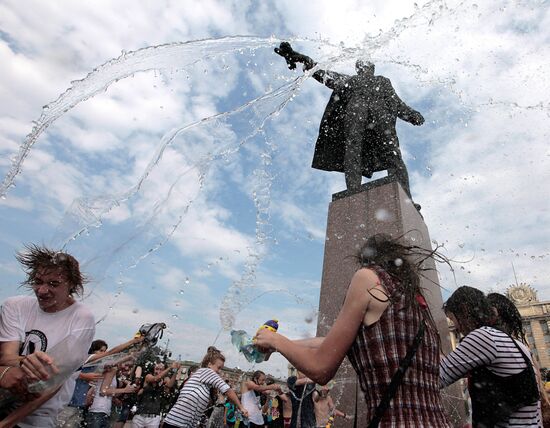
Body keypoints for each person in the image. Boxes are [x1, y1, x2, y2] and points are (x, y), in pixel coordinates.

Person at [255, 234, 451, 426]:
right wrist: (280, 345)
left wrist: (276, 340)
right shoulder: (415, 306)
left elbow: (320, 369)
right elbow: (332, 343)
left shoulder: (368, 278)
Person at [274, 42, 424, 208]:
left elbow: (396, 103)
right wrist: (299, 57)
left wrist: (411, 115)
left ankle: (406, 200)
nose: (365, 66)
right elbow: (321, 73)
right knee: (353, 151)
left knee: (393, 155)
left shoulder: (383, 81)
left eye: (368, 64)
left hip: (382, 122)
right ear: (358, 68)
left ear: (372, 68)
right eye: (362, 64)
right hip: (355, 120)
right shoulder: (348, 81)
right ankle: (353, 194)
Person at [0, 245, 95, 427]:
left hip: (38, 417)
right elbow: (6, 357)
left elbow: (53, 383)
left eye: (54, 284)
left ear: (71, 285)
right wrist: (23, 361)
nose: (42, 290)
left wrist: (7, 423)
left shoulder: (81, 318)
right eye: (38, 281)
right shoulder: (15, 306)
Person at [441, 286, 541, 427]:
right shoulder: (515, 343)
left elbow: (438, 376)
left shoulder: (483, 337)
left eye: (452, 318)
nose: (456, 327)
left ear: (463, 310)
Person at [163, 347, 248, 428]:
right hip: (175, 423)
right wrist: (241, 407)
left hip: (183, 424)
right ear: (209, 364)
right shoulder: (206, 371)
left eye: (221, 369)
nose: (219, 371)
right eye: (218, 368)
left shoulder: (204, 382)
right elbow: (228, 390)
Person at [133, 361, 181, 428]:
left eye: (161, 369)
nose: (158, 371)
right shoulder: (148, 376)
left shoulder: (165, 379)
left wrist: (175, 370)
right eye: (156, 369)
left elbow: (170, 385)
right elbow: (155, 379)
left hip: (154, 417)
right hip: (139, 415)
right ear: (153, 369)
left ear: (164, 370)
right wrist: (170, 367)